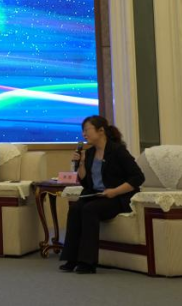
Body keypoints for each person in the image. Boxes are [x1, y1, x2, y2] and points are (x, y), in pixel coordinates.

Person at [59, 115, 145, 274]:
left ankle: (88, 262)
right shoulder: (90, 153)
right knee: (76, 208)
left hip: (118, 197)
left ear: (101, 131)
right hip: (96, 195)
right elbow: (87, 184)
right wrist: (81, 163)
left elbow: (138, 177)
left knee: (90, 209)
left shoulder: (117, 151)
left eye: (87, 130)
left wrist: (114, 191)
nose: (84, 134)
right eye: (83, 131)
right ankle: (72, 259)